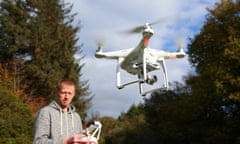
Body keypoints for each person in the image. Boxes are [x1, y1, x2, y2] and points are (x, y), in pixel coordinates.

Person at [33, 79, 83, 144]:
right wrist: (65, 142)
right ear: (57, 92)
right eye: (63, 93)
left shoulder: (76, 117)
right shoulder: (45, 112)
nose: (66, 97)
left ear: (74, 94)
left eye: (69, 93)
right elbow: (38, 142)